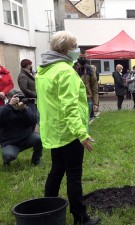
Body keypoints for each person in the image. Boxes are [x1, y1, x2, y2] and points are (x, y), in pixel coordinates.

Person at [36, 31, 100, 225]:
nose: (78, 50)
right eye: (75, 46)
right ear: (66, 50)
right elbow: (70, 106)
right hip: (69, 133)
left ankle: (47, 212)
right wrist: (81, 134)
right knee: (74, 176)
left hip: (54, 132)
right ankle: (80, 217)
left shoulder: (43, 71)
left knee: (56, 171)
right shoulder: (65, 71)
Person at [0, 89, 42, 166]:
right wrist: (10, 105)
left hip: (26, 138)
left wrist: (24, 110)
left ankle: (36, 161)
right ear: (10, 98)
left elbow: (33, 121)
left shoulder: (25, 108)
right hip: (10, 142)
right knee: (9, 155)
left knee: (39, 139)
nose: (19, 100)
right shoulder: (4, 109)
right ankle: (6, 161)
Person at [74, 54, 99, 120]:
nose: (83, 59)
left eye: (84, 57)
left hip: (87, 98)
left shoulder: (90, 70)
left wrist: (95, 103)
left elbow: (95, 87)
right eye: (81, 57)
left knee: (86, 120)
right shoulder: (72, 69)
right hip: (74, 98)